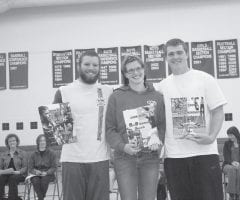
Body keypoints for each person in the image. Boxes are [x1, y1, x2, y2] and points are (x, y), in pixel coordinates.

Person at [154, 38, 227, 200]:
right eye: (171, 54)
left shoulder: (205, 79)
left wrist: (211, 136)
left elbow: (218, 111)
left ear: (187, 54)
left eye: (179, 52)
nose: (176, 56)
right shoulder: (161, 87)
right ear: (166, 58)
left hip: (205, 154)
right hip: (174, 157)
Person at [53, 50, 113, 200]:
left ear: (100, 67)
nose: (91, 68)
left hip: (100, 159)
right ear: (79, 66)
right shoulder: (63, 91)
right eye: (87, 64)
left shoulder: (108, 91)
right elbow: (56, 130)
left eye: (95, 65)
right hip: (72, 160)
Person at [105, 55, 166, 200]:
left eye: (138, 68)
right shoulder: (116, 97)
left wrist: (158, 142)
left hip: (150, 157)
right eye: (130, 70)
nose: (135, 73)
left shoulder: (157, 96)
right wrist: (123, 146)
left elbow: (162, 125)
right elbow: (109, 129)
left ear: (144, 70)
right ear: (125, 74)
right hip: (125, 158)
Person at [222, 126, 240, 200]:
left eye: (231, 135)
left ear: (236, 134)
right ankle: (232, 194)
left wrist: (239, 163)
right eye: (228, 135)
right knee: (232, 169)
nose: (230, 136)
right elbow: (226, 155)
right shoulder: (227, 144)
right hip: (229, 164)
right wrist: (232, 162)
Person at [28, 134, 57, 200]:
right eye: (40, 141)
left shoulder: (52, 153)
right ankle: (41, 198)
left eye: (44, 140)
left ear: (47, 142)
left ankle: (40, 198)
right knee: (35, 181)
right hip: (36, 173)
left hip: (48, 174)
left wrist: (46, 173)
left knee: (44, 180)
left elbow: (54, 167)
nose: (42, 142)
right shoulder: (33, 154)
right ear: (38, 142)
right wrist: (35, 171)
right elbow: (30, 168)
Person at [0, 134, 27, 200]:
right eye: (10, 141)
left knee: (12, 178)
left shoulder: (23, 153)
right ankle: (1, 197)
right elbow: (0, 167)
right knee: (0, 178)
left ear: (17, 142)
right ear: (7, 143)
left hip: (19, 175)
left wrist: (18, 172)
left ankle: (11, 198)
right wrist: (4, 171)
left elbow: (25, 167)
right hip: (6, 174)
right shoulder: (3, 154)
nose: (12, 142)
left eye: (13, 140)